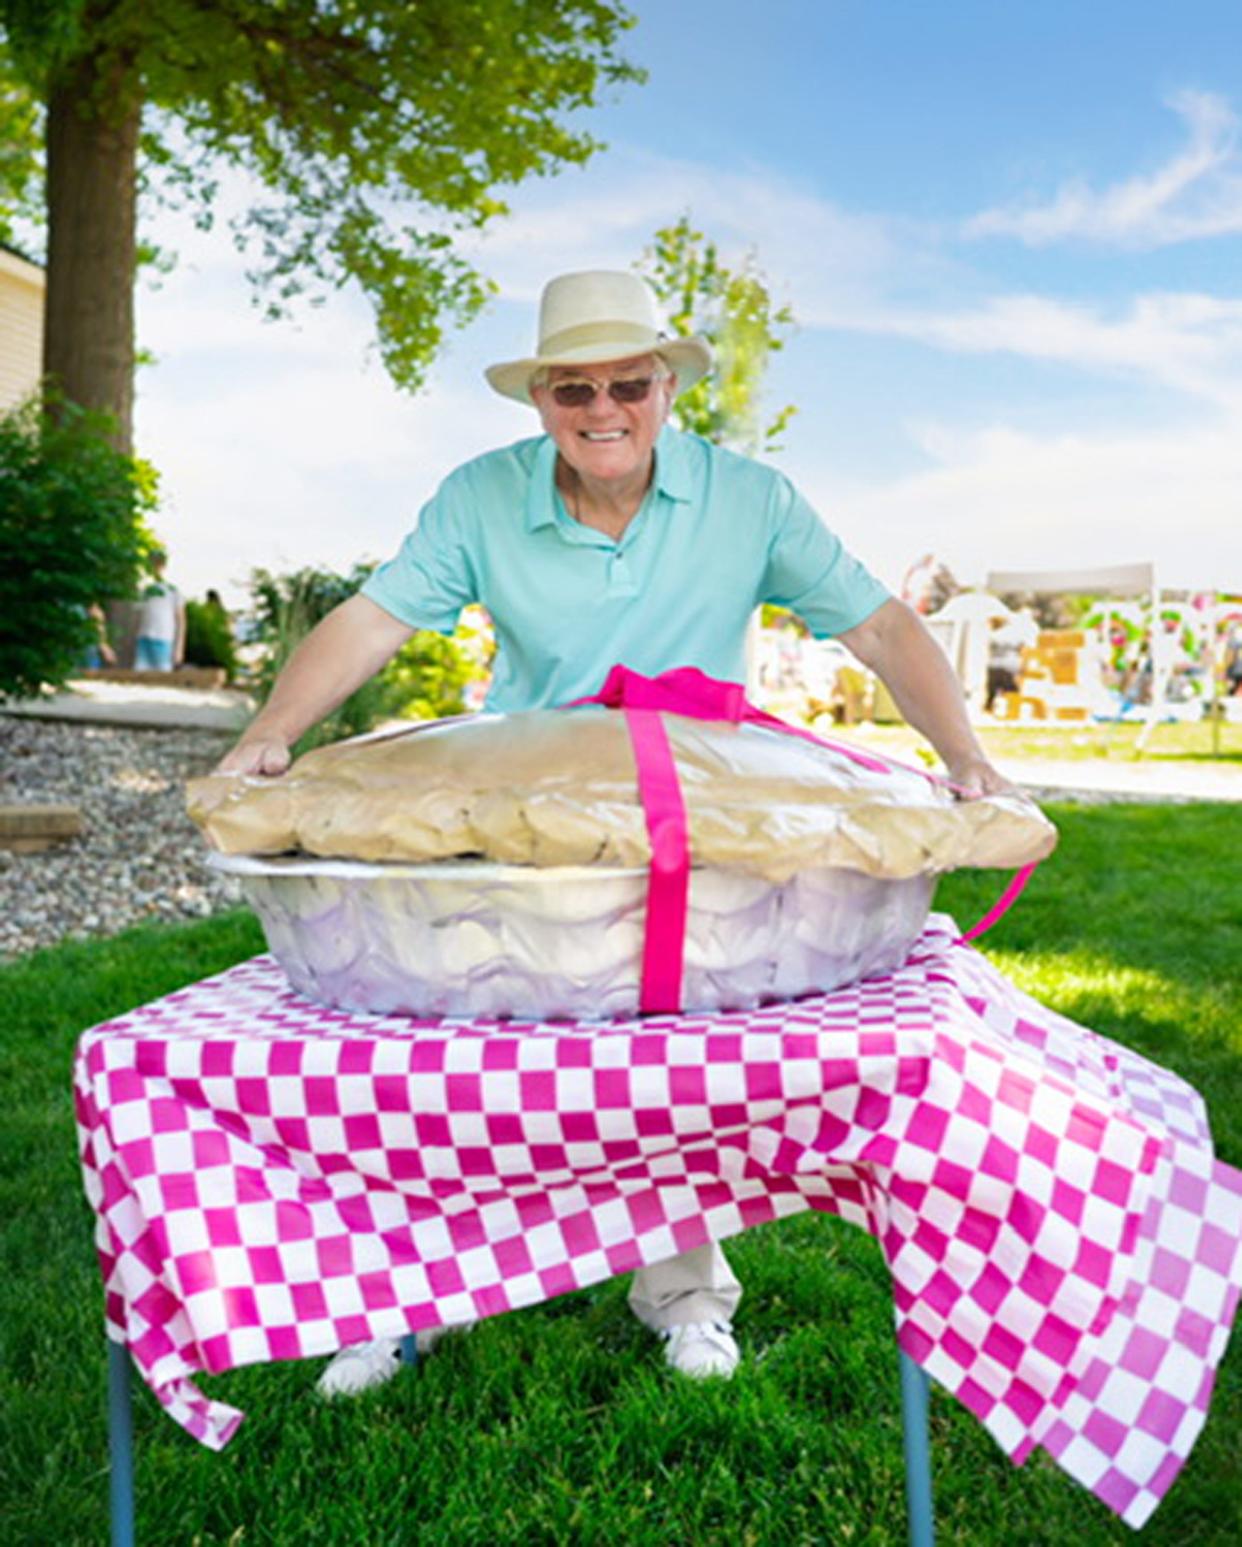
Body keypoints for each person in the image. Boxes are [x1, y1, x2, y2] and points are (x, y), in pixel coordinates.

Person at [218, 269, 1010, 1394]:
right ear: (539, 397)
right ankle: (415, 1295)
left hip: (693, 824)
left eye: (627, 383)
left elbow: (879, 624)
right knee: (471, 1058)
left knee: (665, 1066)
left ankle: (685, 1294)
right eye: (574, 387)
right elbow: (373, 619)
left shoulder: (752, 498)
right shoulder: (480, 496)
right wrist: (268, 733)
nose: (603, 409)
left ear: (666, 387)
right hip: (524, 822)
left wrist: (968, 757)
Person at [134, 551, 186, 671]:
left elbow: (181, 621)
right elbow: (138, 617)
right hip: (144, 639)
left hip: (163, 639)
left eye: (157, 563)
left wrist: (179, 649)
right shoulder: (144, 591)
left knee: (163, 676)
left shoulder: (172, 590)